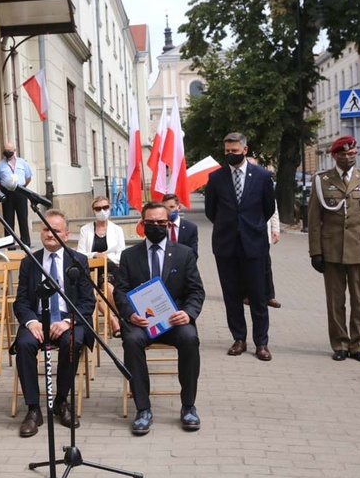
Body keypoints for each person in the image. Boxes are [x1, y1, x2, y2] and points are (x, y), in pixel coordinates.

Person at [113, 202, 204, 435]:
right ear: (142, 224)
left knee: (190, 339)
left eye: (161, 223)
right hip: (141, 323)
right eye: (150, 222)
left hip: (175, 322)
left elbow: (196, 291)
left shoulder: (184, 254)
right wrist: (130, 314)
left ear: (168, 224)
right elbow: (120, 291)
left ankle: (188, 406)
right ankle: (143, 409)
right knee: (131, 341)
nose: (156, 226)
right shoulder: (129, 255)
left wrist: (189, 313)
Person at [12, 209, 95, 437]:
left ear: (66, 235)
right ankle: (33, 409)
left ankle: (61, 401)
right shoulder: (30, 262)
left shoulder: (79, 261)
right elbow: (20, 301)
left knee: (72, 343)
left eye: (56, 230)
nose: (50, 234)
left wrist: (69, 321)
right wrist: (30, 322)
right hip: (38, 321)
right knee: (24, 344)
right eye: (46, 229)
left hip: (68, 321)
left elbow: (88, 302)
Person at [307, 135, 360, 362]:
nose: (349, 158)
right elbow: (313, 220)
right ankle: (340, 343)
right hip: (331, 249)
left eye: (352, 154)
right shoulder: (322, 180)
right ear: (335, 156)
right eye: (344, 154)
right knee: (335, 301)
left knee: (359, 301)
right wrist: (315, 252)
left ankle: (358, 345)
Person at [205, 132, 276, 360]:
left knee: (258, 295)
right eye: (227, 151)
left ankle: (261, 343)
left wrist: (249, 226)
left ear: (245, 150)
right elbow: (210, 211)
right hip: (226, 245)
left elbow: (268, 208)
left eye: (234, 151)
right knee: (232, 295)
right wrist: (229, 226)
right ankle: (239, 339)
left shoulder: (262, 176)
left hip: (254, 244)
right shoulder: (216, 178)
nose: (230, 155)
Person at [76, 196, 126, 337]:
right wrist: (95, 255)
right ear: (93, 211)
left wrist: (107, 257)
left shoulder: (117, 230)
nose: (102, 211)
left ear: (109, 208)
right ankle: (114, 322)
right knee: (91, 293)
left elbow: (121, 254)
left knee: (108, 288)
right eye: (98, 208)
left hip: (110, 267)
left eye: (105, 208)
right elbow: (80, 253)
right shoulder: (85, 230)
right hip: (90, 268)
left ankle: (122, 319)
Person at [0, 142, 34, 247]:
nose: (7, 152)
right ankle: (9, 243)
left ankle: (25, 242)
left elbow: (28, 177)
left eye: (9, 150)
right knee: (8, 219)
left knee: (23, 218)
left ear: (14, 150)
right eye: (5, 150)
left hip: (20, 191)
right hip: (7, 192)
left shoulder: (22, 163)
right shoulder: (0, 165)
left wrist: (22, 187)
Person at [162, 193, 199, 258]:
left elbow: (193, 253)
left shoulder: (190, 228)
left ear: (179, 207)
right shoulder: (160, 226)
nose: (169, 211)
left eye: (172, 207)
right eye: (166, 208)